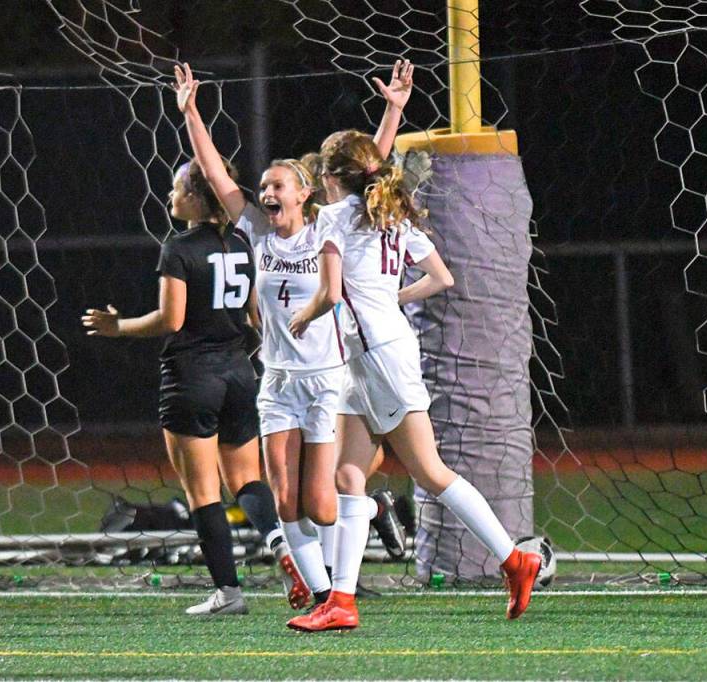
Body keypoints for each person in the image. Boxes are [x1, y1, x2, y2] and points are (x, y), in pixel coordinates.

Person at [174, 61, 413, 612]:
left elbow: (367, 172)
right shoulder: (256, 230)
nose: (266, 192)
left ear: (305, 193)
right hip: (279, 381)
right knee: (285, 499)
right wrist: (191, 113)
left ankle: (372, 511)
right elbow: (215, 174)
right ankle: (325, 595)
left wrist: (393, 111)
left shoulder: (329, 225)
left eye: (277, 185)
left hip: (328, 380)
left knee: (321, 505)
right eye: (263, 187)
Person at [286, 129, 543, 631]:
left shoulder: (337, 217)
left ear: (334, 178)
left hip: (378, 358)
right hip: (372, 356)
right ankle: (341, 600)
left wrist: (303, 317)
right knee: (348, 476)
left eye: (323, 172)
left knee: (430, 472)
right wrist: (391, 302)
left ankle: (514, 559)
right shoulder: (390, 214)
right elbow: (441, 278)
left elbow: (332, 293)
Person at [82, 158, 299, 616]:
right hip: (240, 374)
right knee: (246, 480)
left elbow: (171, 320)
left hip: (191, 377)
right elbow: (256, 316)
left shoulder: (178, 248)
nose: (170, 196)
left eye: (177, 188)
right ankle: (282, 544)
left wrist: (118, 326)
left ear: (198, 198)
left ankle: (229, 594)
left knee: (203, 492)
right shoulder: (244, 241)